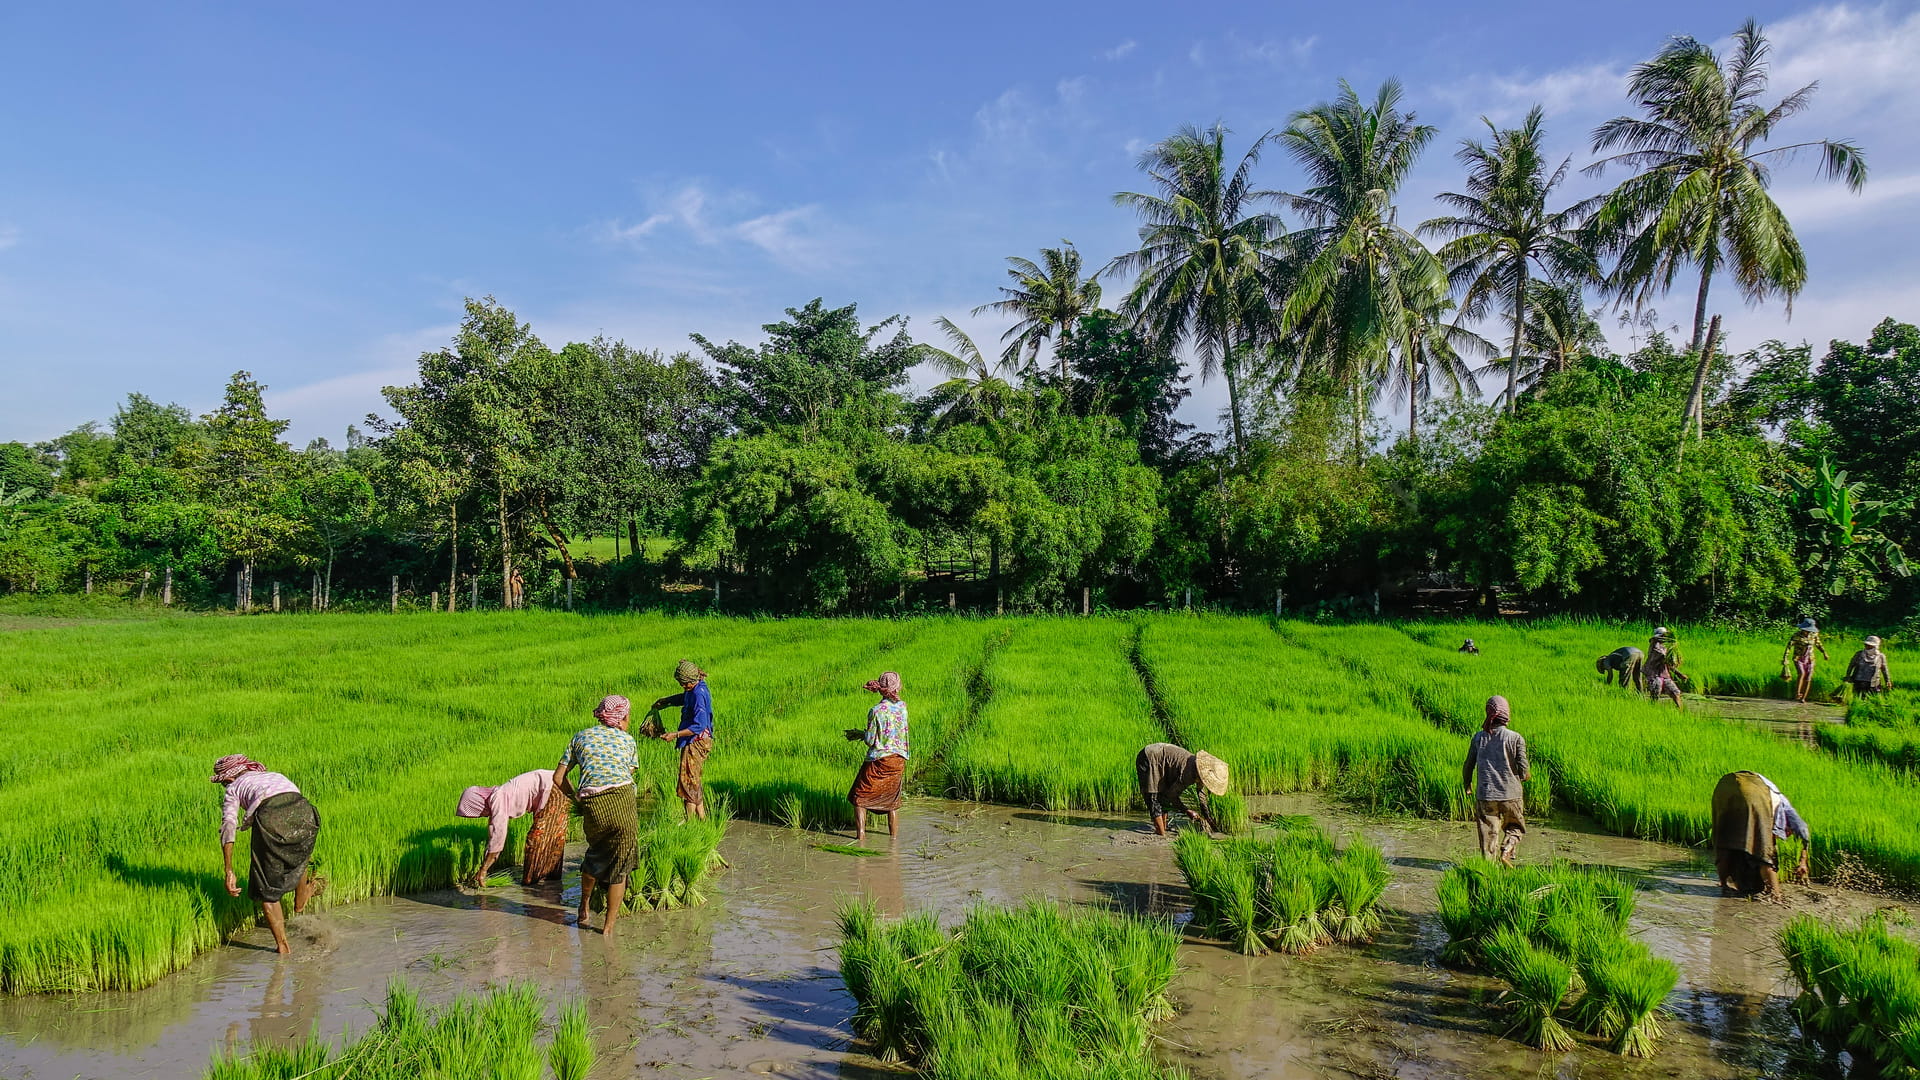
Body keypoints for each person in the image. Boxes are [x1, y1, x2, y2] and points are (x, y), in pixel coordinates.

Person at [212, 754, 322, 955]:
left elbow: (229, 825)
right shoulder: (275, 776)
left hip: (271, 818)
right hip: (307, 813)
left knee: (266, 890)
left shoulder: (233, 788)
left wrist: (229, 870)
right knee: (297, 854)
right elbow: (293, 802)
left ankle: (283, 947)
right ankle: (300, 900)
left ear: (228, 779)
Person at [554, 695, 640, 933]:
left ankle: (583, 907)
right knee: (621, 866)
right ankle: (608, 929)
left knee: (595, 855)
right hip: (622, 801)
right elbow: (627, 774)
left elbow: (558, 778)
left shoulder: (580, 737)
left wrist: (577, 800)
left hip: (593, 804)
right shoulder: (627, 740)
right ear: (622, 717)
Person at [454, 769, 564, 886]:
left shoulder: (498, 800)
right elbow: (493, 834)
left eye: (477, 812)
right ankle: (550, 880)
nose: (481, 815)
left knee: (538, 838)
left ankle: (535, 883)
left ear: (478, 803)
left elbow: (498, 838)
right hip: (552, 782)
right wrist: (485, 861)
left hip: (553, 786)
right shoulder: (496, 797)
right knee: (550, 836)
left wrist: (483, 870)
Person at [1711, 770, 1811, 898]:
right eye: (1788, 832)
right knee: (1765, 854)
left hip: (1725, 786)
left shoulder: (1774, 802)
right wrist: (1803, 862)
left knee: (1726, 840)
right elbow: (1803, 830)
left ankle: (1723, 884)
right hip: (1753, 790)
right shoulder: (1784, 806)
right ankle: (1776, 895)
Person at [1463, 696, 1529, 866]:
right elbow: (1524, 769)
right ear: (1506, 714)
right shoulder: (1515, 738)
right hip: (1511, 794)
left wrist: (1467, 784)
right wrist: (1524, 776)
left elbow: (1468, 764)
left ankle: (1488, 869)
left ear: (1489, 712)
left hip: (1486, 795)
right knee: (1515, 827)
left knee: (1488, 833)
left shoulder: (1479, 738)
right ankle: (1507, 851)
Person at [844, 671, 909, 842]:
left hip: (879, 761)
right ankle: (893, 840)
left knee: (859, 797)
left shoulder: (876, 711)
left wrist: (860, 734)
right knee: (892, 800)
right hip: (898, 759)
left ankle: (861, 838)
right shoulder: (903, 707)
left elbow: (871, 740)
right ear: (896, 687)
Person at [650, 660, 714, 822]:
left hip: (696, 741)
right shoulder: (695, 688)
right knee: (693, 779)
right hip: (694, 741)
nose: (683, 687)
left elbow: (699, 725)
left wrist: (675, 734)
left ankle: (690, 822)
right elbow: (685, 698)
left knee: (688, 782)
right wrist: (667, 700)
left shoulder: (699, 694)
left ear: (692, 680)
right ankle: (702, 820)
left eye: (684, 684)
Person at [1135, 743, 1228, 836]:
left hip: (1163, 759)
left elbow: (1202, 797)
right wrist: (1187, 811)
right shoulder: (1188, 773)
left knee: (1163, 794)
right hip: (1149, 757)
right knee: (1152, 797)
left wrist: (1208, 819)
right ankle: (1160, 833)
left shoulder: (1201, 773)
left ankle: (1163, 827)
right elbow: (1172, 796)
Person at [1781, 619, 1830, 704]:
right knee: (1802, 673)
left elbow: (1818, 644)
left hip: (1810, 659)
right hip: (1798, 658)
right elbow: (1789, 647)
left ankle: (1803, 698)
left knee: (1808, 677)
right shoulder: (1796, 636)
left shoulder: (1814, 635)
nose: (1808, 632)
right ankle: (1797, 693)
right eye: (1806, 630)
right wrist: (1785, 658)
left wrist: (1824, 653)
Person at [1645, 627, 1685, 709]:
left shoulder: (1667, 648)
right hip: (1654, 674)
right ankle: (1651, 710)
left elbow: (1669, 664)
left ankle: (1680, 711)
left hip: (1664, 674)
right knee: (1655, 694)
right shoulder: (1654, 644)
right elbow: (1660, 654)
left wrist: (1679, 674)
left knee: (1675, 692)